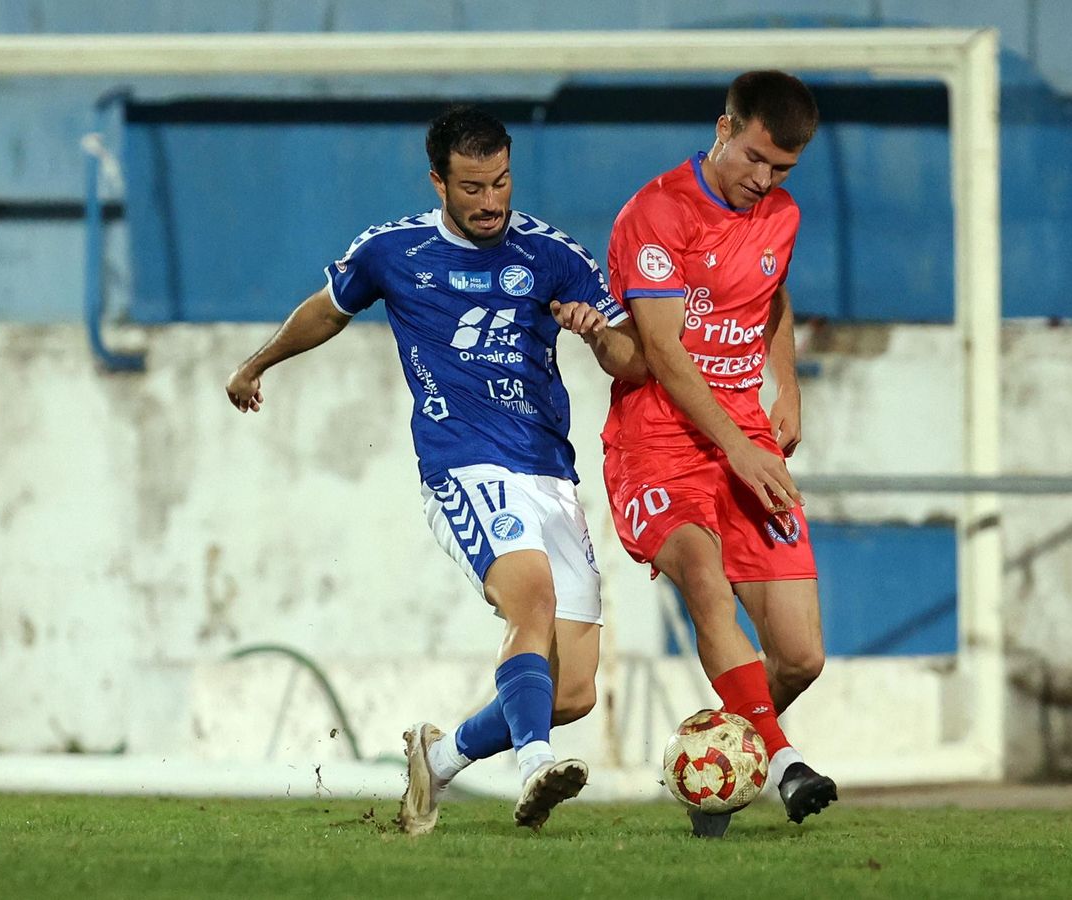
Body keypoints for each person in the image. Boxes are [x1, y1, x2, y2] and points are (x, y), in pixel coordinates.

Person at [224, 105, 645, 834]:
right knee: (531, 603)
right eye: (474, 187)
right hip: (463, 463)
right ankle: (535, 766)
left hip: (549, 471)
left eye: (502, 182)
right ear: (439, 183)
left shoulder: (552, 255)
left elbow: (632, 357)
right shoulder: (395, 250)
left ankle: (440, 756)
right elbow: (327, 310)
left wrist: (599, 332)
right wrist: (259, 362)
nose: (491, 202)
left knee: (572, 691)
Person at [600, 71, 836, 838]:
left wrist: (787, 385)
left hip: (745, 434)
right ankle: (786, 761)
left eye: (783, 170)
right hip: (659, 441)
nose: (764, 181)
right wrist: (736, 448)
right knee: (703, 576)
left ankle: (716, 764)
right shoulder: (657, 212)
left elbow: (772, 294)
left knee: (801, 656)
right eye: (756, 159)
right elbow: (663, 353)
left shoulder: (782, 214)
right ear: (723, 128)